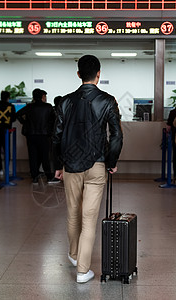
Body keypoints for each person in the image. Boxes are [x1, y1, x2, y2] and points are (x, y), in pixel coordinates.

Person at [52, 55, 123, 283]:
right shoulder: (108, 101)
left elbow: (56, 137)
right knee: (89, 218)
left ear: (79, 74)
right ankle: (83, 271)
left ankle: (74, 255)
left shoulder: (64, 101)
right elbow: (117, 136)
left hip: (71, 166)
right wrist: (111, 162)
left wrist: (58, 165)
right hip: (97, 164)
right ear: (99, 74)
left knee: (73, 212)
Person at [16, 88, 57, 184]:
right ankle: (49, 176)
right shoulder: (48, 107)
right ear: (43, 97)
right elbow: (54, 119)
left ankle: (34, 177)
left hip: (31, 134)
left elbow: (17, 114)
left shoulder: (29, 107)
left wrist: (25, 122)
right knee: (45, 156)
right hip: (44, 134)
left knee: (33, 156)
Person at [0, 91, 16, 176]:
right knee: (7, 150)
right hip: (6, 131)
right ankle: (6, 168)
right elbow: (13, 118)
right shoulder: (11, 106)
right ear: (8, 97)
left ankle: (0, 169)